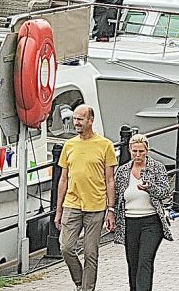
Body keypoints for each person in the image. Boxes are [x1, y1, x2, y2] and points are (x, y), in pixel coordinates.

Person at [56, 105, 119, 291]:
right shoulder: (69, 145)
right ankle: (80, 282)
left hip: (96, 205)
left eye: (80, 119)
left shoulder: (105, 145)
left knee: (91, 252)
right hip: (72, 203)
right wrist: (59, 210)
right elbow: (63, 179)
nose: (75, 122)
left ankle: (87, 289)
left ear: (90, 121)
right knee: (65, 247)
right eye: (75, 119)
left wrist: (111, 209)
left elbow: (110, 180)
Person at [113, 134, 173, 291]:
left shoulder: (156, 167)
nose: (138, 155)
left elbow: (165, 192)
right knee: (133, 263)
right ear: (129, 151)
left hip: (151, 222)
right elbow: (117, 197)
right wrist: (110, 213)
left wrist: (150, 187)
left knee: (145, 261)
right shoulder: (123, 171)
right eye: (134, 151)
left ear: (147, 151)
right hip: (129, 222)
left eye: (141, 151)